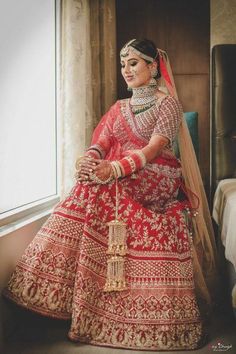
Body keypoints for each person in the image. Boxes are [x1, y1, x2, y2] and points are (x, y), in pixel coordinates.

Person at [3, 39, 217, 350]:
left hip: (158, 176)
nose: (126, 70)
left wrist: (114, 169)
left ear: (153, 66)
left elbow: (155, 148)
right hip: (124, 171)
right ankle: (46, 294)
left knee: (101, 187)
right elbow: (100, 142)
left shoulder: (166, 103)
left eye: (134, 63)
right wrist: (89, 160)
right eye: (123, 64)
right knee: (87, 187)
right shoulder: (118, 107)